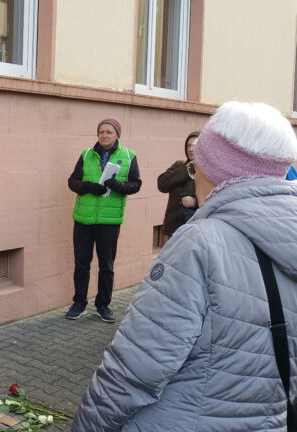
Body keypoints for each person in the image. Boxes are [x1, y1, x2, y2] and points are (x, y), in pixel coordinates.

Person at [72, 101, 297, 431]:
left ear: (214, 172)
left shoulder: (199, 243)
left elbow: (137, 367)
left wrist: (88, 425)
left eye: (196, 169)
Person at [66, 118, 142, 322]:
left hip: (109, 221)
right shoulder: (86, 154)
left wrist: (117, 185)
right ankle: (79, 303)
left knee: (106, 266)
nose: (104, 135)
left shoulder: (128, 155)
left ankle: (103, 305)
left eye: (109, 132)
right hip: (83, 219)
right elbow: (72, 182)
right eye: (101, 132)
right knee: (81, 264)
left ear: (117, 135)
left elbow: (136, 185)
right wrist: (89, 187)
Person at [157, 131, 200, 241]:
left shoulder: (208, 171)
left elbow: (215, 199)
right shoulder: (179, 166)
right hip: (173, 229)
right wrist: (187, 170)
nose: (190, 149)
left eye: (195, 145)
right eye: (188, 145)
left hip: (195, 229)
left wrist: (196, 202)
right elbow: (162, 185)